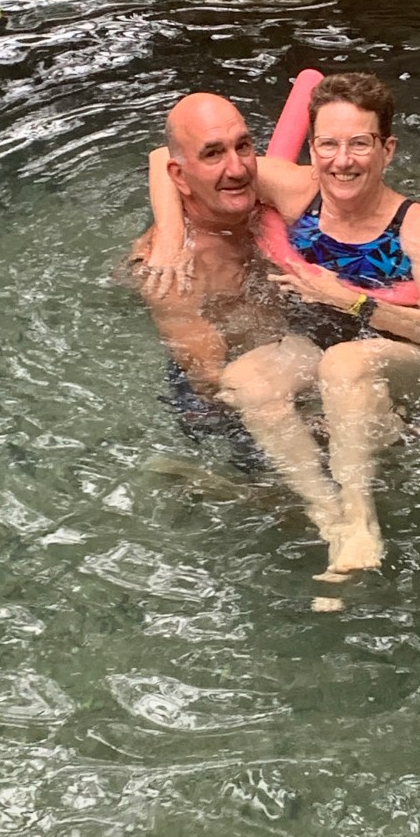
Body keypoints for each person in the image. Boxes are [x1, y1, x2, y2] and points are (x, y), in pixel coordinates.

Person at [147, 73, 420, 576]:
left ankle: (361, 520)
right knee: (247, 380)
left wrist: (353, 301)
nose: (343, 161)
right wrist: (170, 239)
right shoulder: (299, 190)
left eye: (359, 143)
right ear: (313, 149)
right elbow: (164, 159)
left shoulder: (416, 227)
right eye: (328, 144)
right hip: (318, 344)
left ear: (387, 150)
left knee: (346, 363)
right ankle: (328, 516)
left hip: (399, 355)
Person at [128, 91, 349, 572]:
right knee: (294, 511)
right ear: (181, 177)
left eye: (243, 146)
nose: (237, 167)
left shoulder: (255, 190)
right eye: (213, 154)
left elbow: (353, 186)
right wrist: (314, 421)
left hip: (289, 345)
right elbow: (213, 382)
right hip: (222, 391)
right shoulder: (172, 272)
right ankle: (212, 485)